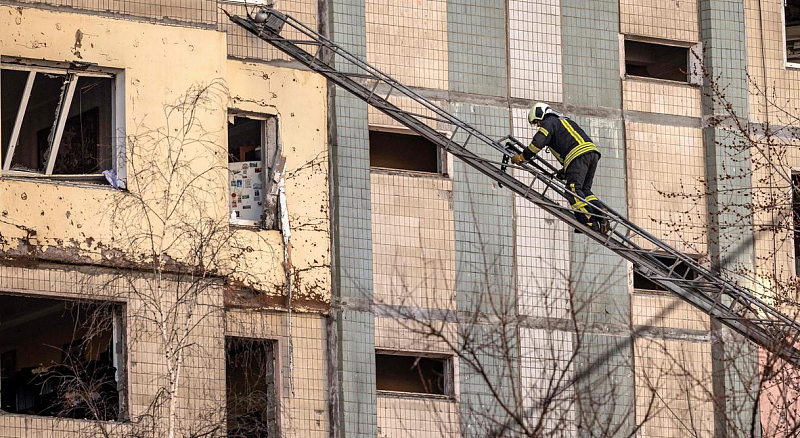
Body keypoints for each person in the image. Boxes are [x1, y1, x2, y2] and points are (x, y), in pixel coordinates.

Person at [511, 102, 608, 233]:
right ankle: (600, 212)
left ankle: (589, 221)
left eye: (536, 122)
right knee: (584, 190)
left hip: (577, 156)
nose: (537, 125)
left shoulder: (549, 122)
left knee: (572, 190)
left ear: (541, 114)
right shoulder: (563, 120)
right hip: (591, 154)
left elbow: (538, 142)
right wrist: (565, 170)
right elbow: (568, 141)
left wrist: (522, 157)